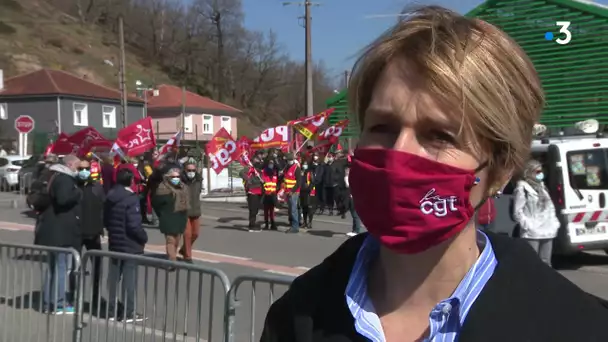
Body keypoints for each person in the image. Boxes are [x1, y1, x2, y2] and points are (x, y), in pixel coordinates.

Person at [260, 6, 608, 341]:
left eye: (439, 135)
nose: (400, 153)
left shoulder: (580, 328)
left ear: (500, 169)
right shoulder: (295, 317)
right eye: (382, 126)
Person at [34, 154, 82, 315]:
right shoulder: (64, 179)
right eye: (77, 166)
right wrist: (78, 193)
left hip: (52, 228)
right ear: (69, 164)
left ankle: (49, 302)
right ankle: (58, 303)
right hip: (59, 230)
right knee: (60, 267)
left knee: (53, 268)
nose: (78, 169)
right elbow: (63, 200)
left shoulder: (53, 175)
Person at [104, 168, 148, 322]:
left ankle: (111, 310)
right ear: (130, 181)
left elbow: (106, 220)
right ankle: (129, 312)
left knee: (114, 278)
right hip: (130, 244)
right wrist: (143, 237)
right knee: (130, 279)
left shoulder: (110, 195)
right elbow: (134, 225)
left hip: (115, 242)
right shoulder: (130, 198)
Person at [513, 160, 560, 267]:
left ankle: (546, 283)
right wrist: (529, 226)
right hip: (532, 233)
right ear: (529, 172)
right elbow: (517, 212)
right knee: (531, 263)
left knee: (546, 263)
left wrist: (554, 223)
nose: (540, 174)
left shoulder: (542, 187)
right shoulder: (522, 188)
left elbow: (550, 207)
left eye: (540, 171)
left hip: (548, 230)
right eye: (537, 172)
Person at [74, 159, 105, 308]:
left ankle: (95, 298)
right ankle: (74, 296)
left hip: (94, 233)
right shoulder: (73, 186)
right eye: (81, 168)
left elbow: (102, 208)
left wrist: (101, 228)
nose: (84, 171)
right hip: (77, 233)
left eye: (86, 169)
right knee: (75, 268)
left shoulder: (96, 187)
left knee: (97, 268)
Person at [151, 167, 189, 262]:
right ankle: (172, 261)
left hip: (180, 218)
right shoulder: (162, 188)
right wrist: (161, 214)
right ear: (168, 177)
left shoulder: (183, 188)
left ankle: (173, 256)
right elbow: (155, 203)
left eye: (177, 177)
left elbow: (187, 203)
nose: (176, 179)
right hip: (168, 218)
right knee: (170, 241)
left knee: (176, 240)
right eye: (173, 177)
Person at [180, 162, 202, 263]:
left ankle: (184, 249)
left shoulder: (199, 180)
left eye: (193, 170)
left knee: (195, 234)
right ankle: (188, 257)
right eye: (189, 170)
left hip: (196, 210)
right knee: (187, 234)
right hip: (184, 211)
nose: (191, 172)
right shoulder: (180, 181)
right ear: (185, 170)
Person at [282, 153, 301, 233]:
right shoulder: (286, 167)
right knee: (290, 209)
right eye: (288, 160)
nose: (289, 161)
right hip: (287, 191)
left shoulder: (296, 168)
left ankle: (295, 226)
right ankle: (292, 223)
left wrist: (292, 191)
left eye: (290, 160)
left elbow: (299, 182)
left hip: (294, 191)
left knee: (293, 209)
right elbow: (286, 178)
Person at [244, 158, 264, 232]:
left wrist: (262, 180)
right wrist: (248, 180)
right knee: (253, 209)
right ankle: (252, 226)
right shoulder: (250, 170)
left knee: (255, 210)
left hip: (258, 192)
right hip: (252, 192)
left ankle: (253, 224)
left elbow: (262, 179)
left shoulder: (259, 172)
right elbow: (241, 173)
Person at [343, 164, 362, 238]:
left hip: (353, 197)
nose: (346, 171)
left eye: (348, 170)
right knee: (353, 214)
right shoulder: (345, 177)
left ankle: (357, 230)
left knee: (355, 215)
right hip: (349, 196)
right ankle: (354, 230)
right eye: (346, 170)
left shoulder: (353, 178)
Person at [261, 159, 278, 231]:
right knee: (266, 211)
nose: (271, 165)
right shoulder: (264, 176)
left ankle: (273, 224)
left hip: (273, 195)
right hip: (266, 195)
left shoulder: (275, 176)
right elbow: (262, 186)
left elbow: (277, 185)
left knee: (272, 211)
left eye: (272, 163)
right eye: (270, 163)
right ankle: (267, 224)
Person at [299, 160, 316, 229]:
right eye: (303, 164)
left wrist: (309, 188)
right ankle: (304, 222)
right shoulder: (300, 172)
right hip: (302, 192)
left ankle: (310, 222)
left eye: (306, 164)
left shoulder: (309, 172)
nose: (304, 165)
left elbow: (313, 182)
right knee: (304, 208)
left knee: (309, 208)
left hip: (309, 192)